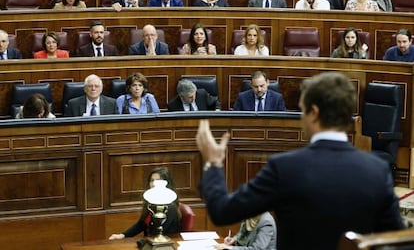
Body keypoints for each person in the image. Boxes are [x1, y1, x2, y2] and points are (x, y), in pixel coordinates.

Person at [197, 72, 404, 250]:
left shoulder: (285, 167)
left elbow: (221, 211)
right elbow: (398, 241)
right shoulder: (378, 170)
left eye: (303, 110)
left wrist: (212, 163)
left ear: (313, 113)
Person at [108, 167, 181, 240]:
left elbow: (157, 234)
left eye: (158, 180)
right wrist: (122, 235)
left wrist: (141, 244)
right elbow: (141, 224)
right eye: (152, 180)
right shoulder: (151, 202)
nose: (153, 184)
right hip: (150, 242)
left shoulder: (170, 207)